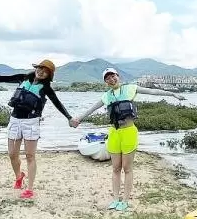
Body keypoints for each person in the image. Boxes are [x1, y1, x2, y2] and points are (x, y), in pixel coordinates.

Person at [71, 67, 186, 211]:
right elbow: (91, 110)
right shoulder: (106, 96)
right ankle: (115, 199)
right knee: (115, 168)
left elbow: (153, 91)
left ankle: (125, 200)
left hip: (129, 132)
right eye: (107, 78)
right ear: (105, 82)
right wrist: (78, 119)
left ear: (118, 76)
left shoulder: (131, 88)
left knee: (127, 168)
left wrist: (172, 94)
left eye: (113, 76)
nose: (111, 79)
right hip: (114, 133)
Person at [0, 59, 77, 201]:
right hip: (15, 120)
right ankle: (19, 176)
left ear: (48, 75)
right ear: (36, 68)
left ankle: (30, 189)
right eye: (40, 68)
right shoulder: (23, 78)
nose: (41, 72)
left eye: (45, 71)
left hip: (31, 122)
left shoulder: (46, 89)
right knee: (12, 154)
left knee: (30, 156)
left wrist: (69, 117)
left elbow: (57, 103)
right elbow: (3, 79)